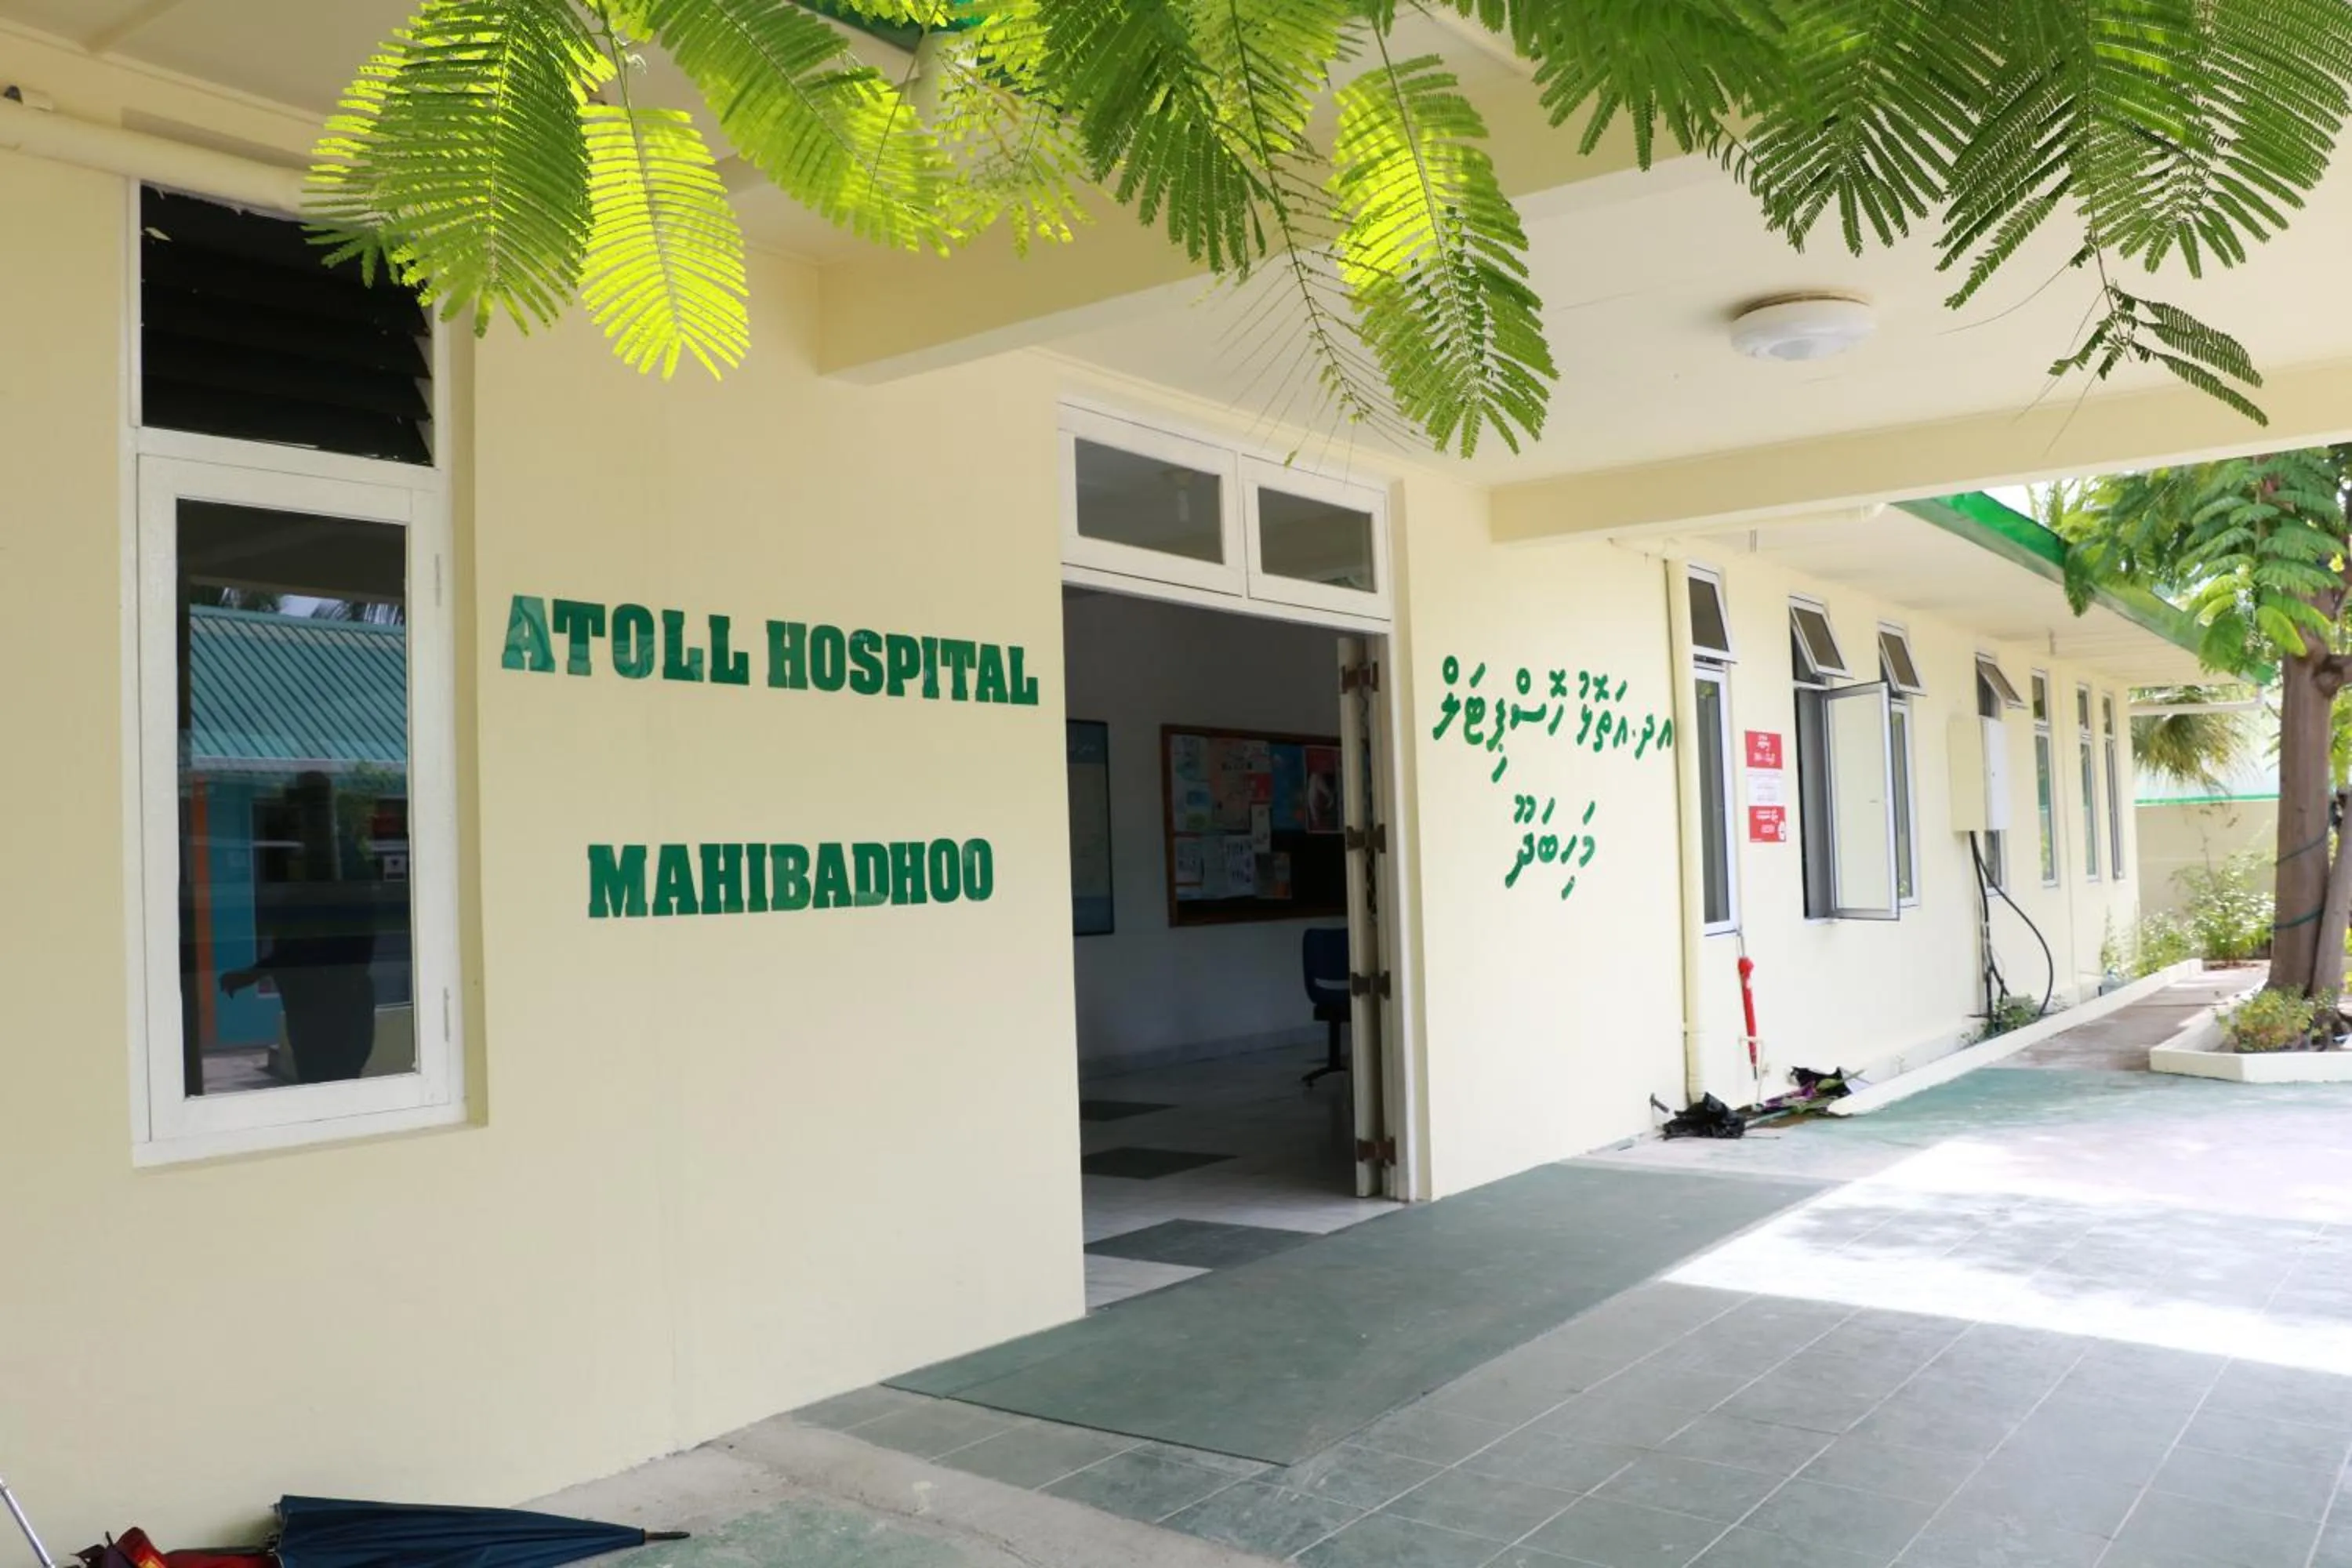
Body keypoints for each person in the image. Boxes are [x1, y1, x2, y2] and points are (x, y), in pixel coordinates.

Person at [220, 771, 379, 1083]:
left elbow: (315, 945)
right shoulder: (314, 862)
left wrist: (256, 971)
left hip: (334, 1006)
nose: (300, 821)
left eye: (307, 810)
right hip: (309, 1003)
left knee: (333, 1080)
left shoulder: (340, 863)